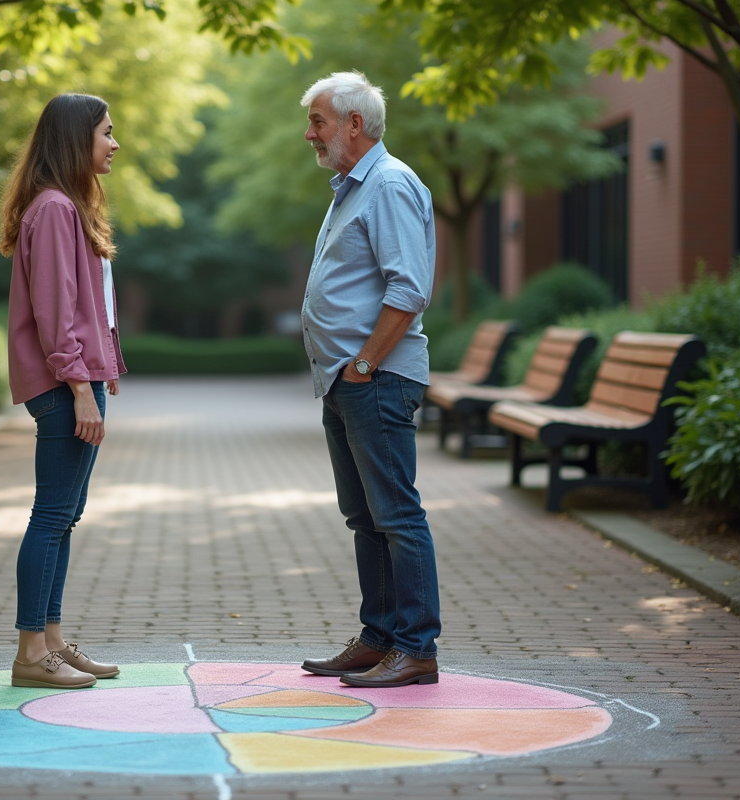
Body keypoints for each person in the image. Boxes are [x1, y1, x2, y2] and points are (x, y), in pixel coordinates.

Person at [296, 72, 442, 688]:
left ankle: (415, 648)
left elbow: (408, 289)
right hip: (347, 381)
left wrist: (363, 366)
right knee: (365, 517)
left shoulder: (388, 184)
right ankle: (380, 637)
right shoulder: (354, 188)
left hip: (373, 379)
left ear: (354, 123)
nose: (309, 134)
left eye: (318, 122)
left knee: (397, 516)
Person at [0, 93, 125, 690]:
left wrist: (104, 367)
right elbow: (55, 313)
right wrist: (80, 386)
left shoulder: (66, 206)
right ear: (77, 139)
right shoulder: (52, 209)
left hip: (77, 378)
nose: (114, 144)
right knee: (50, 516)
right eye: (106, 133)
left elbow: (89, 304)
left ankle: (50, 641)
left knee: (64, 516)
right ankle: (30, 653)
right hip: (62, 384)